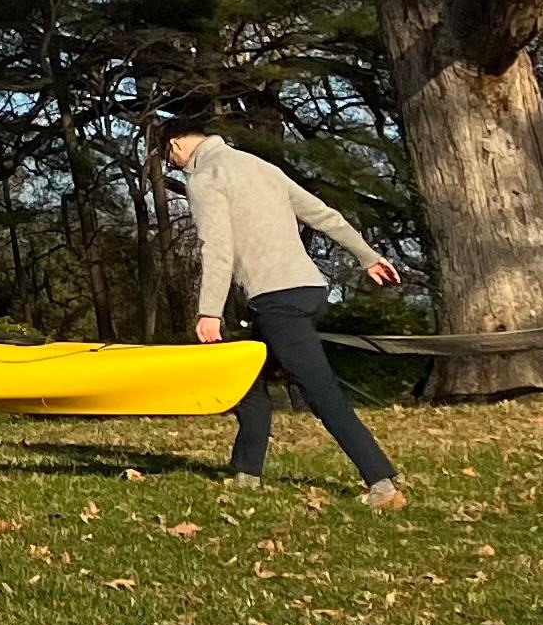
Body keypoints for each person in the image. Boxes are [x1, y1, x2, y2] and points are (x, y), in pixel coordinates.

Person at [160, 114, 405, 508]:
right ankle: (246, 474)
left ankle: (381, 482)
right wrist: (367, 257)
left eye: (167, 157)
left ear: (175, 144)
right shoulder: (259, 166)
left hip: (278, 298)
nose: (171, 165)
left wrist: (209, 311)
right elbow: (324, 214)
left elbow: (217, 249)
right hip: (308, 289)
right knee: (247, 380)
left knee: (320, 392)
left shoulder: (205, 179)